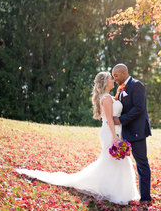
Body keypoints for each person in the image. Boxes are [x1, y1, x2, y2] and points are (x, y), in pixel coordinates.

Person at [15, 72, 139, 205]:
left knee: (113, 161)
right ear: (105, 82)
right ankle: (116, 192)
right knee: (115, 161)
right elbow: (109, 119)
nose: (113, 80)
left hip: (111, 131)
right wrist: (115, 137)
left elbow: (112, 110)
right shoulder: (107, 98)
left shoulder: (106, 97)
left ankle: (114, 190)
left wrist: (117, 94)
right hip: (111, 132)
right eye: (110, 78)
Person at [112, 64, 152, 204]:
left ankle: (146, 198)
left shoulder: (137, 85)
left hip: (137, 131)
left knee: (142, 164)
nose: (114, 79)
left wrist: (120, 120)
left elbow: (139, 108)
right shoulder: (122, 88)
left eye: (116, 75)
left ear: (123, 72)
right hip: (126, 132)